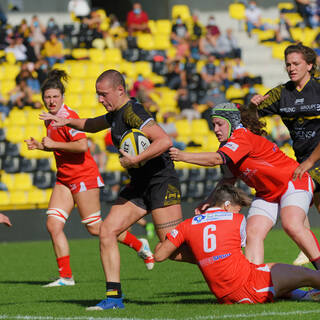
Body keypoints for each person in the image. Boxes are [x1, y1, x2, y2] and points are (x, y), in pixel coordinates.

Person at [39, 69, 184, 310]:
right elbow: (92, 124)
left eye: (103, 94)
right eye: (97, 94)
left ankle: (220, 259)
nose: (99, 99)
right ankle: (114, 298)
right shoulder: (115, 113)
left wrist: (135, 159)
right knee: (106, 230)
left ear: (120, 90)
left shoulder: (133, 112)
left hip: (160, 182)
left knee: (170, 251)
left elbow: (164, 141)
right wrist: (66, 121)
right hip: (139, 185)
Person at [25, 69, 154, 287]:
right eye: (47, 97)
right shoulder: (50, 120)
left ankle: (139, 245)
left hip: (83, 177)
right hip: (65, 178)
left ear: (62, 97)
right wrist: (41, 145)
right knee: (53, 224)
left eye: (55, 96)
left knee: (96, 229)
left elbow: (82, 145)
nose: (51, 101)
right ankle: (66, 277)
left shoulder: (68, 117)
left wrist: (53, 144)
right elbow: (59, 147)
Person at [169, 102, 320, 271]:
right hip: (267, 193)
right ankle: (254, 283)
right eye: (213, 125)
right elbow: (227, 179)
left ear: (232, 122)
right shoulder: (226, 147)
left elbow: (216, 159)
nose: (216, 129)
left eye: (220, 124)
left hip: (293, 182)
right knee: (252, 234)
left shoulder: (242, 137)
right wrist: (209, 201)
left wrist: (182, 155)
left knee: (292, 225)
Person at [155, 184, 320, 304]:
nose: (239, 212)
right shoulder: (237, 219)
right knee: (308, 275)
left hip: (223, 296)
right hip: (249, 285)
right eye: (237, 208)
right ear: (227, 205)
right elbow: (233, 252)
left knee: (284, 283)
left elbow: (160, 255)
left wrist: (201, 257)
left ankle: (308, 296)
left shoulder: (188, 224)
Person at [250, 43, 320, 266]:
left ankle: (308, 247)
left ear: (309, 65)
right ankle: (308, 246)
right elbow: (249, 117)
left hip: (313, 161)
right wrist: (252, 105)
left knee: (295, 193)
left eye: (296, 63)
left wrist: (310, 162)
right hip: (303, 159)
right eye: (288, 64)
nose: (291, 68)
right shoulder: (282, 93)